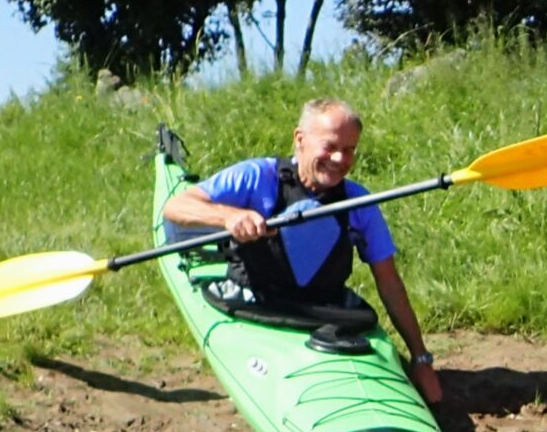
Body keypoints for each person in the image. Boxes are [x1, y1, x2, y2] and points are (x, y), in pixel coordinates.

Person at [159, 98, 442, 405]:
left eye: (349, 150)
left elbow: (388, 282)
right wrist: (228, 217)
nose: (339, 158)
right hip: (255, 301)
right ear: (300, 139)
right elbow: (176, 207)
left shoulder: (358, 201)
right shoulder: (257, 176)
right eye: (330, 146)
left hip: (323, 309)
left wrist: (420, 358)